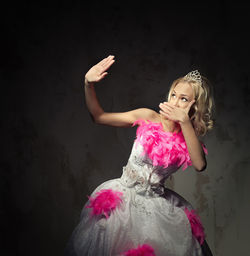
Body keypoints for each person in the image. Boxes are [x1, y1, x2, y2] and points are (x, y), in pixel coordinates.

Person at [65, 55, 214, 256]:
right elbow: (98, 116)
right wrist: (87, 84)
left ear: (193, 106)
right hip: (122, 201)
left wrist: (185, 122)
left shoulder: (188, 137)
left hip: (158, 210)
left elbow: (199, 165)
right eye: (173, 95)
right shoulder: (148, 116)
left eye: (184, 99)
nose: (175, 103)